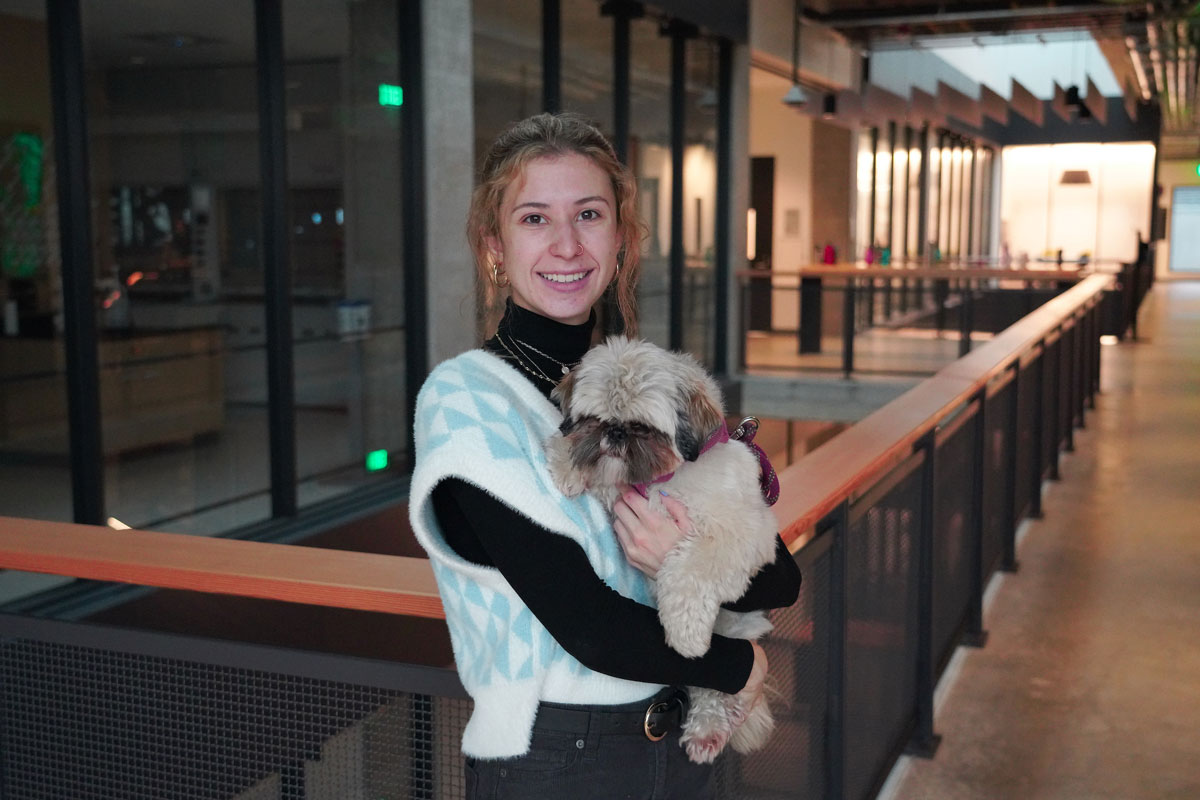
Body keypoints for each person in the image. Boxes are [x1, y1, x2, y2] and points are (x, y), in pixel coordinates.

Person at [408, 112, 801, 800]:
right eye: (535, 219)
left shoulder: (635, 379)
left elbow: (778, 578)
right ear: (493, 245)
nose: (566, 245)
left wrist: (678, 557)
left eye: (589, 214)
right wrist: (743, 664)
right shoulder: (467, 399)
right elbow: (591, 629)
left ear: (620, 243)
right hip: (557, 759)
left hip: (675, 744)